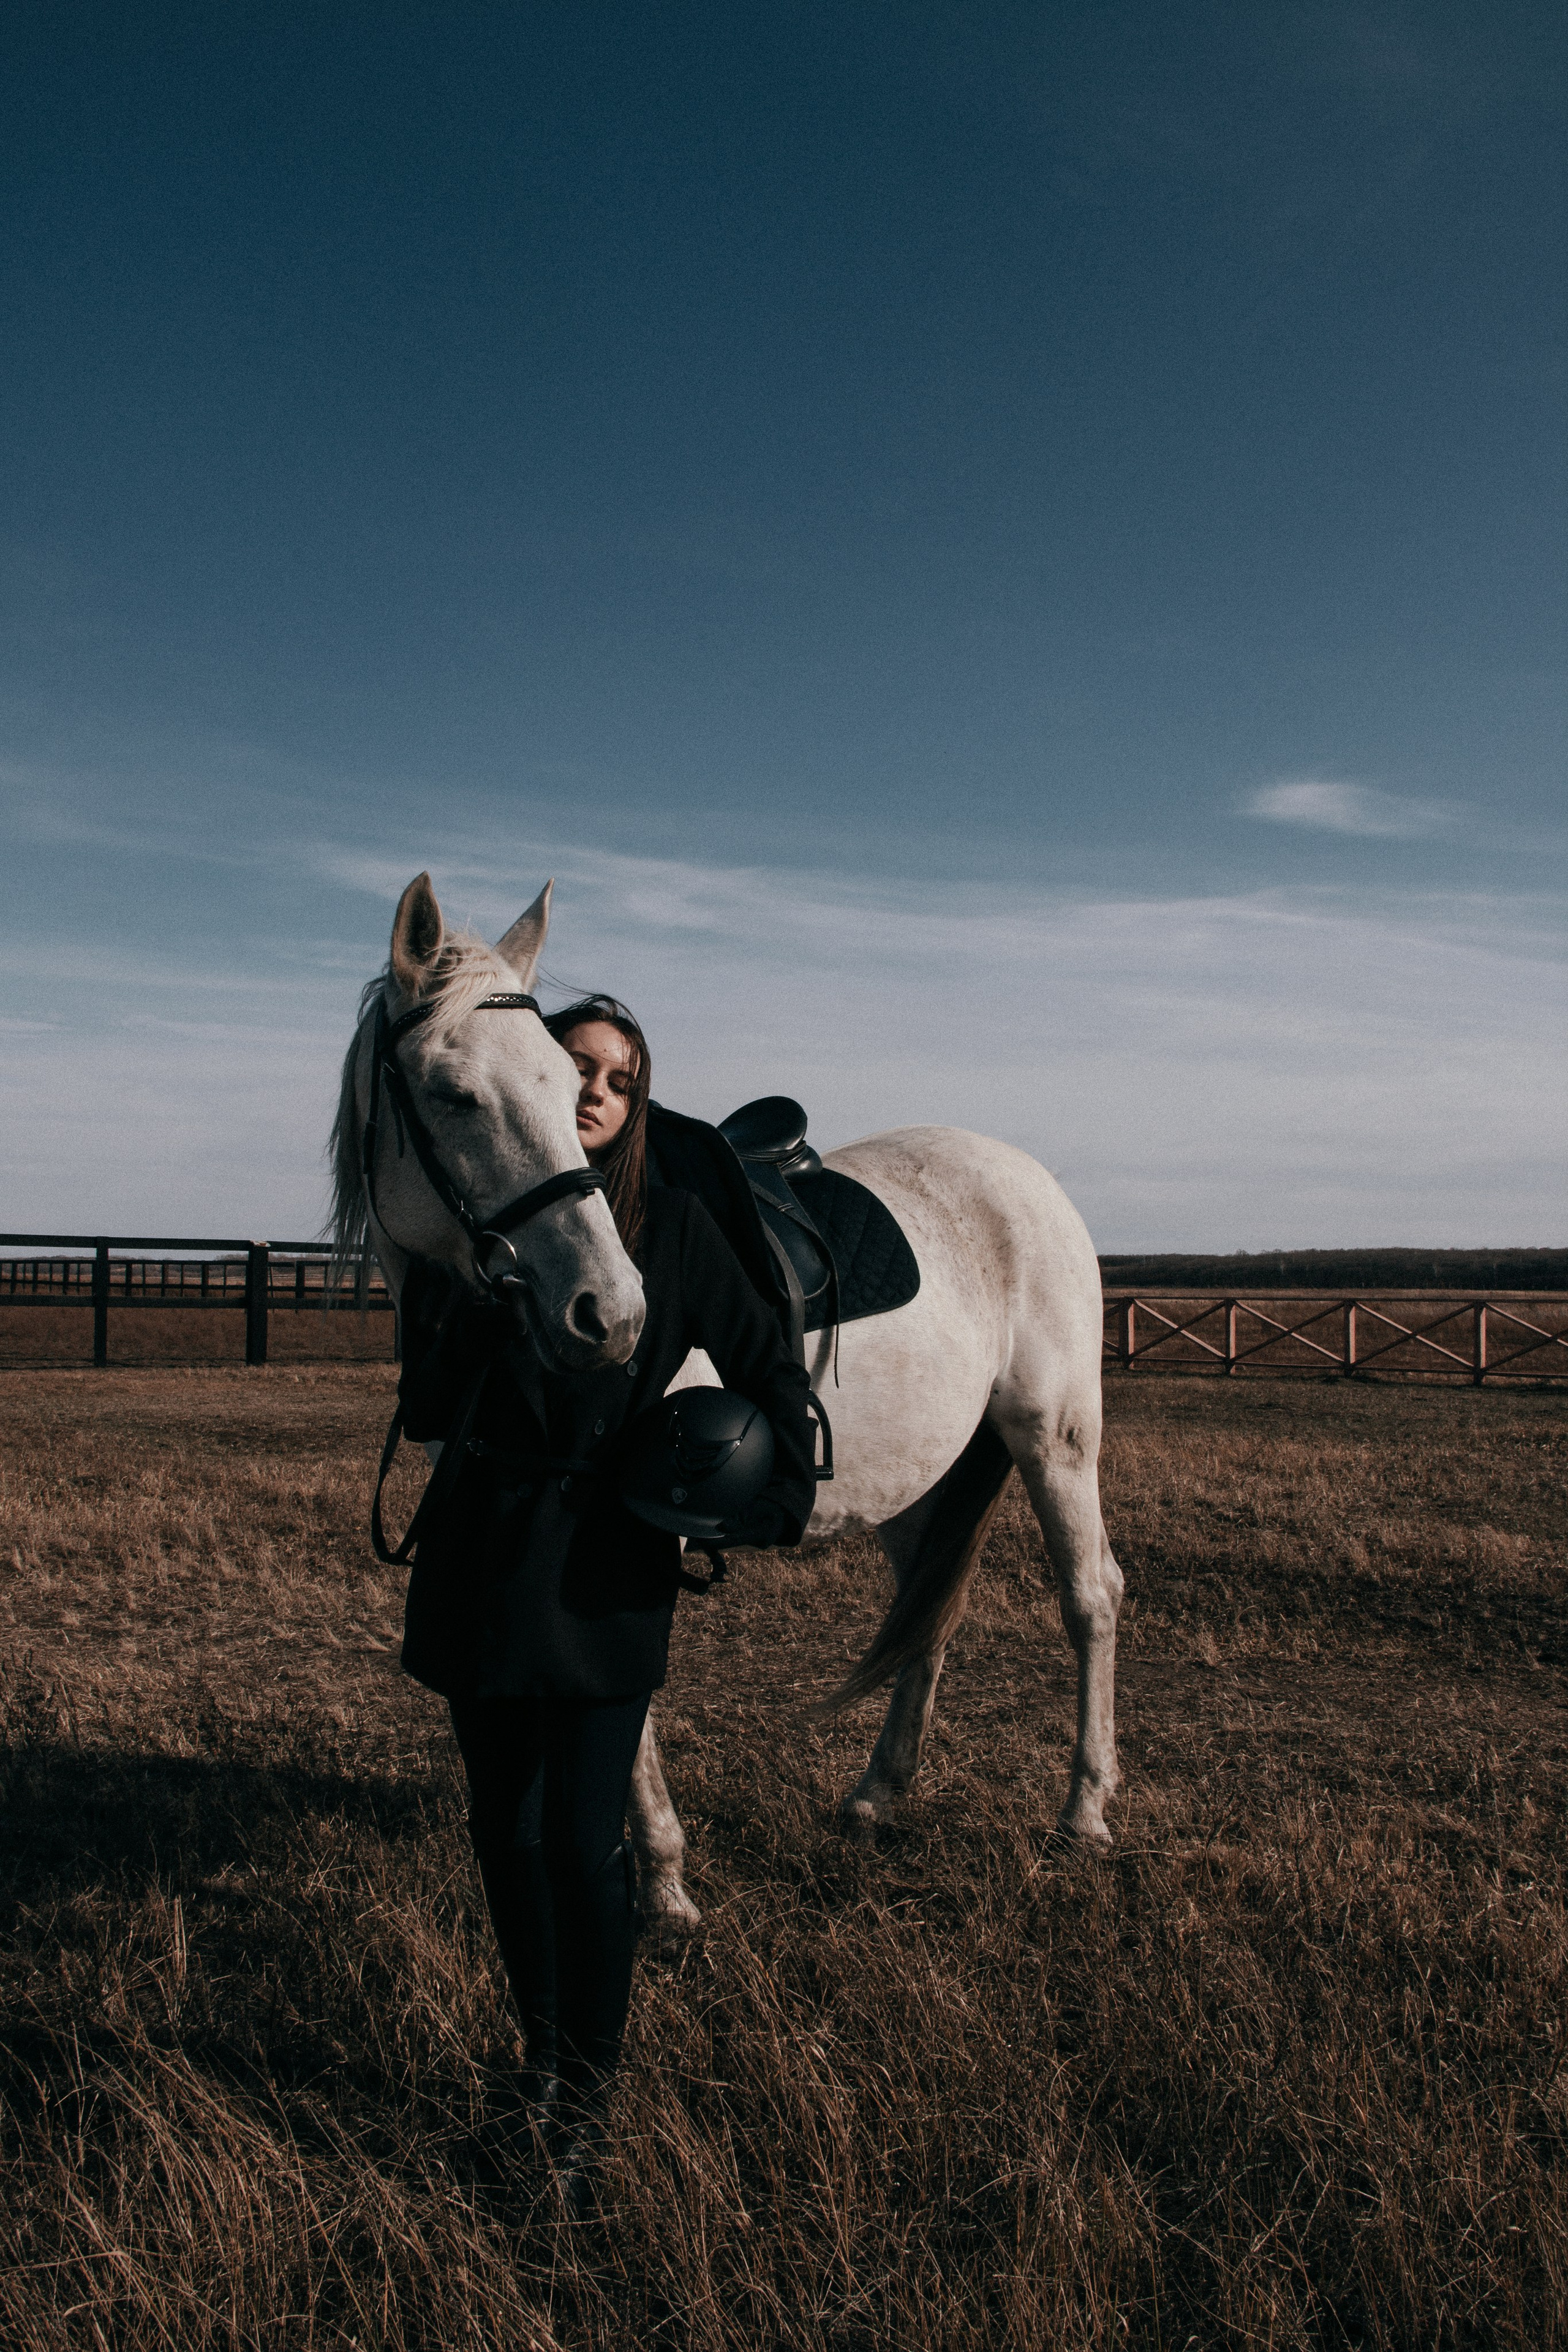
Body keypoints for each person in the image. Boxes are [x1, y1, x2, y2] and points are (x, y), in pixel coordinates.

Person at [394, 994, 816, 2204]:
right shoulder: (466, 1224)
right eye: (573, 1067)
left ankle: (581, 2109)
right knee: (502, 1837)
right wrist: (471, 1311)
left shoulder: (672, 1230)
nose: (593, 1090)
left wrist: (759, 1502)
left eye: (619, 1080)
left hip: (599, 1575)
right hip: (477, 1559)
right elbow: (424, 1408)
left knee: (583, 1850)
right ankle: (534, 2065)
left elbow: (769, 1370)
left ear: (634, 1105)